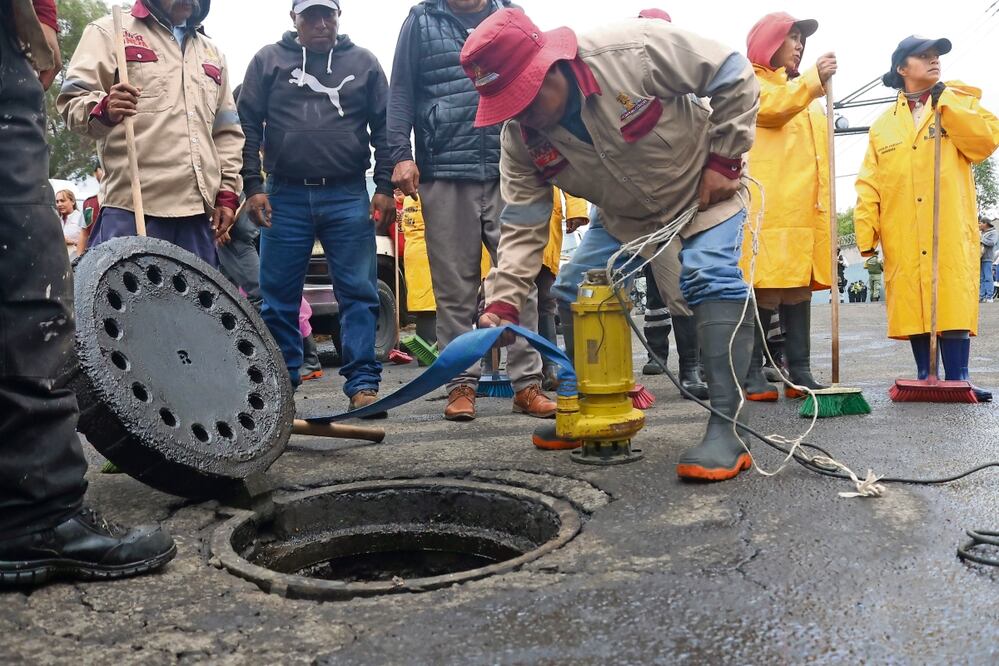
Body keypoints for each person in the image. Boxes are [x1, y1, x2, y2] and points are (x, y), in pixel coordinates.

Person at [461, 9, 761, 480]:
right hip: (623, 219)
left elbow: (732, 71)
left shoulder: (633, 50)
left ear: (552, 65)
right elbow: (522, 224)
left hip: (705, 192)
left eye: (526, 98)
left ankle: (729, 428)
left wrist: (725, 157)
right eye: (509, 105)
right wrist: (504, 301)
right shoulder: (521, 139)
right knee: (573, 291)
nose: (522, 114)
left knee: (708, 275)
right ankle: (589, 409)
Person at [0, 0, 175, 587]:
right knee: (26, 282)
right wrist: (44, 24)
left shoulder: (206, 51)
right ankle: (36, 516)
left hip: (191, 202)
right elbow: (72, 100)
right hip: (132, 195)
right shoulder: (111, 31)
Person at [388, 0, 555, 422]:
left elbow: (539, 77)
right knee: (453, 287)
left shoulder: (511, 14)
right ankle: (461, 384)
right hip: (444, 168)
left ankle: (528, 384)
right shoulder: (421, 20)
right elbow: (401, 92)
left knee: (520, 280)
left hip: (509, 165)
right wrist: (401, 154)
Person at [238, 0, 394, 413]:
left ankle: (363, 385)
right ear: (294, 18)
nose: (321, 23)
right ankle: (282, 388)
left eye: (328, 14)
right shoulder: (268, 60)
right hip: (284, 195)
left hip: (347, 194)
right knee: (278, 298)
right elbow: (247, 124)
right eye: (310, 15)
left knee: (359, 293)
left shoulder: (364, 62)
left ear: (339, 17)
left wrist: (383, 185)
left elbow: (384, 125)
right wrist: (252, 185)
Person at [547, 8, 709, 403]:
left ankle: (692, 369)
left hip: (663, 213)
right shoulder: (616, 79)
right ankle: (585, 378)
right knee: (569, 287)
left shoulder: (688, 95)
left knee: (679, 291)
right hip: (613, 212)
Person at [855, 35, 999, 403]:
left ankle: (959, 376)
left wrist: (947, 102)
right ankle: (924, 375)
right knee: (913, 298)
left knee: (951, 292)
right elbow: (869, 182)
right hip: (902, 226)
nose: (934, 60)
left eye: (936, 55)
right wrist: (866, 232)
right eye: (924, 55)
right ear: (902, 68)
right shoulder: (882, 127)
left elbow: (984, 143)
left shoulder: (958, 103)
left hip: (947, 224)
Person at [57, 0, 244, 266]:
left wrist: (227, 192)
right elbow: (72, 101)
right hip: (131, 210)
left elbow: (227, 132)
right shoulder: (109, 31)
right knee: (124, 293)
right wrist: (105, 109)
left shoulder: (212, 53)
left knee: (196, 295)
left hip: (198, 216)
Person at [739, 12, 833, 403]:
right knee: (764, 285)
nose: (799, 45)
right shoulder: (748, 83)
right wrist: (813, 81)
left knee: (797, 287)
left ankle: (800, 370)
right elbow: (773, 109)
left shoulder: (804, 94)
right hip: (768, 206)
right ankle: (751, 371)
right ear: (769, 42)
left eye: (801, 38)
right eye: (791, 37)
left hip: (804, 209)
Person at [537, 188, 588, 389]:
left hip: (544, 214)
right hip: (499, 214)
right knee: (497, 297)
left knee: (544, 296)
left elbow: (567, 169)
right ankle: (489, 367)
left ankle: (549, 366)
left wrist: (576, 208)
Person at [78, 164, 104, 256]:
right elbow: (84, 233)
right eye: (102, 168)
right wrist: (79, 258)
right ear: (95, 173)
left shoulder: (125, 201)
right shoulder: (89, 204)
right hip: (94, 255)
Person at [54, 189, 84, 259]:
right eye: (57, 202)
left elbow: (90, 242)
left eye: (62, 201)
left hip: (76, 259)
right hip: (59, 259)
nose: (59, 204)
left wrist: (71, 241)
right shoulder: (56, 220)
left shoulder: (81, 217)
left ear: (73, 201)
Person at [979, 218, 997, 302]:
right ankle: (982, 296)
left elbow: (992, 242)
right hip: (980, 258)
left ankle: (989, 296)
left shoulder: (993, 232)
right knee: (982, 278)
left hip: (988, 258)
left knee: (988, 277)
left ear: (986, 223)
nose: (979, 225)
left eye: (980, 223)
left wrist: (980, 239)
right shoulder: (981, 232)